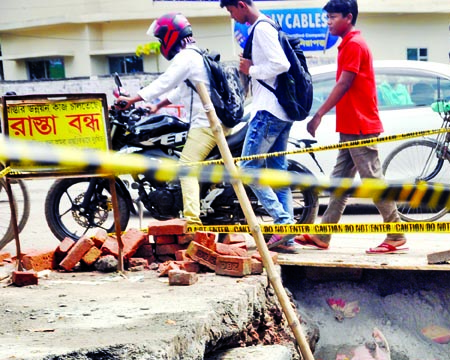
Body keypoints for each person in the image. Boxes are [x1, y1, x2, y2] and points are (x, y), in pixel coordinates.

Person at [297, 0, 407, 254]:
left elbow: (344, 83)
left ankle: (396, 233)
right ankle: (322, 235)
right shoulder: (347, 44)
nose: (328, 23)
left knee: (372, 181)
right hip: (350, 126)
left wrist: (319, 114)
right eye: (327, 18)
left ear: (348, 17)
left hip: (360, 126)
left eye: (332, 17)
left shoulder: (354, 45)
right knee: (339, 182)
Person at [118, 13, 220, 228]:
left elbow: (165, 82)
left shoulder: (186, 57)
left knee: (185, 167)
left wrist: (133, 99)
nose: (162, 43)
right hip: (208, 121)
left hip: (206, 124)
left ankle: (192, 222)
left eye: (162, 39)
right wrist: (157, 106)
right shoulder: (196, 54)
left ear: (171, 36)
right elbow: (182, 89)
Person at [220, 0, 298, 253]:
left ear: (241, 4)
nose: (233, 16)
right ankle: (287, 237)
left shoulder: (261, 28)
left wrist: (250, 68)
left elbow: (281, 65)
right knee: (277, 173)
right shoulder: (268, 25)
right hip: (281, 111)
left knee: (248, 168)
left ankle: (284, 222)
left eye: (232, 10)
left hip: (268, 111)